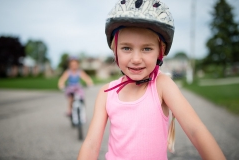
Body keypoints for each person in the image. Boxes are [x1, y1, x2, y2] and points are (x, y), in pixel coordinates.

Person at [77, 0, 226, 159]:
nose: (136, 59)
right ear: (115, 50)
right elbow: (91, 145)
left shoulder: (162, 85)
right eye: (126, 48)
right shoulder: (106, 93)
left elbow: (196, 131)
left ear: (160, 52)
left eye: (146, 48)